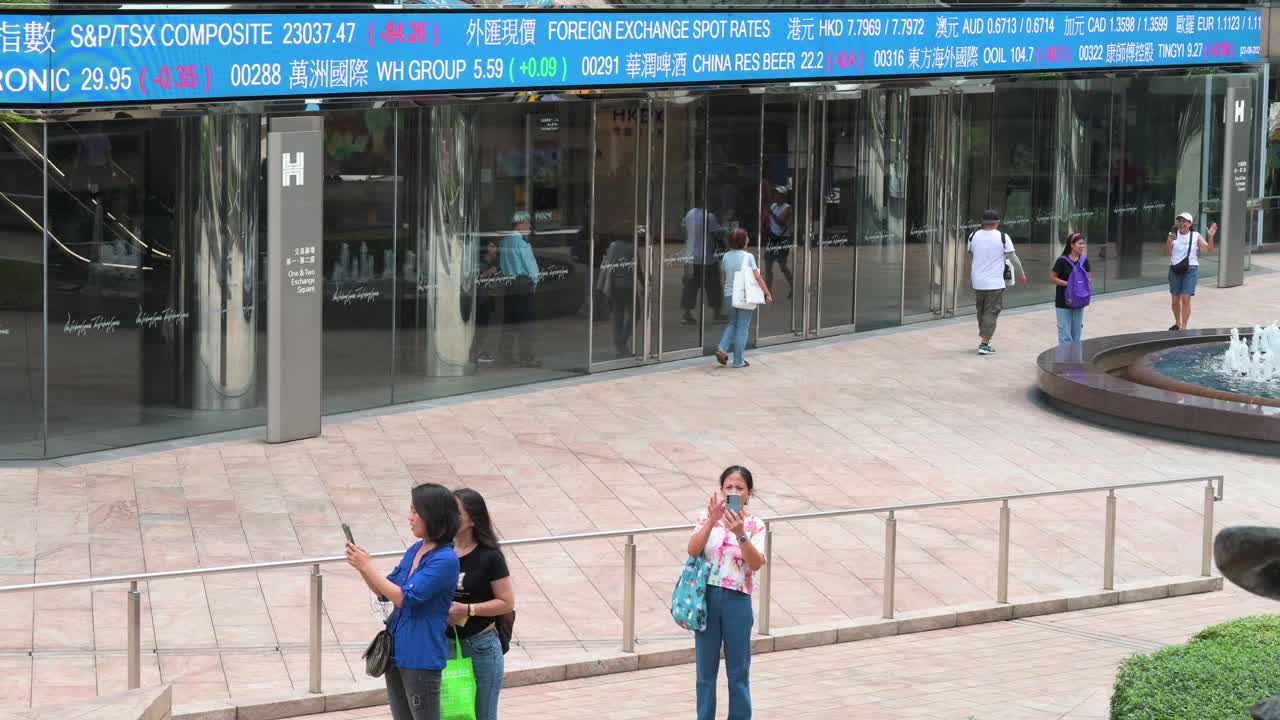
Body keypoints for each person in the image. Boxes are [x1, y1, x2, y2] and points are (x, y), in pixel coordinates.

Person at [346, 483, 461, 720]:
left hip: (421, 655)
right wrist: (362, 568)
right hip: (397, 651)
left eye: (415, 512)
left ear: (432, 515)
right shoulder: (416, 549)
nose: (410, 518)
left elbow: (405, 598)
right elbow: (385, 590)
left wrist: (369, 566)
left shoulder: (445, 560)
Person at [687, 465, 768, 720]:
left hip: (737, 600)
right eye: (728, 487)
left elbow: (756, 564)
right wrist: (711, 522)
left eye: (739, 488)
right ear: (721, 490)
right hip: (707, 598)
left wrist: (740, 533)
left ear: (749, 493)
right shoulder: (707, 516)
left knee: (738, 672)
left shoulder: (755, 524)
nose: (733, 491)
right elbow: (692, 549)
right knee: (705, 674)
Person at [449, 489, 515, 720]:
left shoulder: (490, 556)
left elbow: (506, 603)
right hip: (445, 644)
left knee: (482, 715)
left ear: (473, 519)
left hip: (481, 646)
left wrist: (468, 609)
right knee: (452, 714)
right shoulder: (442, 552)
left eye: (455, 512)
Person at [967, 209, 1027, 355]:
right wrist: (1022, 274)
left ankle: (984, 338)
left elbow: (971, 254)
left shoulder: (973, 235)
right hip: (994, 282)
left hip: (977, 281)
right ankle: (984, 343)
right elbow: (1013, 258)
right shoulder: (1003, 237)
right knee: (991, 311)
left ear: (982, 222)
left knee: (981, 310)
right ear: (997, 223)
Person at [716, 229, 772, 369]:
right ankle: (738, 361)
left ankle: (722, 349)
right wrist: (767, 293)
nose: (748, 239)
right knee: (742, 328)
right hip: (743, 296)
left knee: (732, 324)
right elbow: (757, 278)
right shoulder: (748, 257)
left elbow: (723, 277)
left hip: (729, 295)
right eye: (746, 237)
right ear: (743, 241)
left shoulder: (726, 256)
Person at [498, 211, 541, 367]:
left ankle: (505, 355)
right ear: (520, 224)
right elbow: (532, 268)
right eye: (527, 223)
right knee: (526, 323)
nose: (529, 226)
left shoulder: (504, 242)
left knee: (509, 321)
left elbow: (502, 265)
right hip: (523, 283)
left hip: (508, 283)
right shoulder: (522, 243)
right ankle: (526, 357)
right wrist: (535, 282)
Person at [1165, 212, 1218, 331]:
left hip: (1191, 269)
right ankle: (1177, 323)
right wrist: (1169, 241)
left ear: (1190, 224)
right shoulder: (1173, 235)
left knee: (1185, 298)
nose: (1181, 223)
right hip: (1174, 269)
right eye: (1180, 221)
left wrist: (1210, 237)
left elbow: (1209, 249)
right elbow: (1167, 253)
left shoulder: (1196, 235)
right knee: (1174, 300)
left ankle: (1184, 327)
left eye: (1184, 221)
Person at [680, 205, 724, 325]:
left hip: (691, 257)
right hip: (707, 259)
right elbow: (718, 234)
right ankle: (717, 313)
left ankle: (687, 314)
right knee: (713, 286)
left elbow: (683, 229)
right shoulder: (710, 216)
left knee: (690, 287)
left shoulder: (689, 214)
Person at [1049, 232, 1092, 345]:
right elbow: (1052, 278)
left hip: (1079, 300)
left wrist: (1083, 283)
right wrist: (1069, 284)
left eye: (1083, 244)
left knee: (1077, 333)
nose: (1082, 246)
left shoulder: (1084, 261)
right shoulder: (1061, 261)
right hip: (1063, 301)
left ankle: (1075, 360)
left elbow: (1089, 278)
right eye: (1079, 243)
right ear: (1071, 245)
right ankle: (1065, 360)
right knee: (1065, 334)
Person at [471, 240, 500, 364]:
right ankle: (476, 352)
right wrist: (488, 272)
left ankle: (479, 351)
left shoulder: (494, 263)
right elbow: (474, 278)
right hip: (480, 300)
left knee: (484, 327)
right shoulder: (479, 263)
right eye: (492, 246)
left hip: (488, 298)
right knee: (480, 327)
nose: (495, 249)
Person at [763, 187, 794, 297]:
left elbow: (781, 223)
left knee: (783, 267)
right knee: (768, 266)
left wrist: (771, 213)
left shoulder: (787, 208)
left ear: (784, 197)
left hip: (782, 240)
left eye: (778, 194)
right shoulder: (773, 206)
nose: (776, 196)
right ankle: (768, 292)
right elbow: (768, 221)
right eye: (775, 194)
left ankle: (792, 286)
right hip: (772, 239)